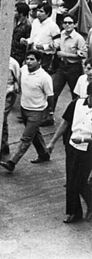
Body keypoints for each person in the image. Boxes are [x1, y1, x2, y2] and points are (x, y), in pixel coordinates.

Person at [0, 51, 53, 172]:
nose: (28, 61)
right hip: (24, 109)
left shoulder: (45, 78)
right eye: (27, 59)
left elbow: (50, 96)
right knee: (34, 134)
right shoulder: (23, 69)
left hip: (37, 111)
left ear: (39, 61)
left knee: (26, 138)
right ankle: (44, 154)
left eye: (32, 59)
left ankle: (12, 162)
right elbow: (17, 80)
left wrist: (49, 112)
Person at [46, 83, 92, 223]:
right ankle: (73, 212)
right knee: (71, 180)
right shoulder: (75, 104)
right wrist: (52, 142)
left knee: (81, 181)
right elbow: (65, 123)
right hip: (72, 147)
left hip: (89, 150)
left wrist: (83, 139)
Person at [49, 15, 86, 122]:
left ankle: (75, 118)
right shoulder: (61, 35)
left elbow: (83, 55)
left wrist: (65, 54)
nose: (67, 25)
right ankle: (49, 115)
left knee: (76, 94)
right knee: (53, 91)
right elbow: (56, 46)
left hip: (74, 68)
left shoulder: (78, 38)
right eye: (65, 22)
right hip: (62, 67)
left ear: (75, 24)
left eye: (70, 23)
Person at [21, 4, 60, 72]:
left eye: (41, 11)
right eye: (38, 11)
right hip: (34, 52)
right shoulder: (35, 22)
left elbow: (57, 43)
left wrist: (44, 47)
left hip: (45, 56)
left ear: (47, 13)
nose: (38, 13)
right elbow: (33, 38)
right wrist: (26, 41)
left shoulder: (53, 26)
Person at [1, 57, 21, 157]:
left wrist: (16, 87)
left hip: (8, 92)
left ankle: (3, 146)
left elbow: (18, 78)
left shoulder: (12, 63)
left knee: (1, 118)